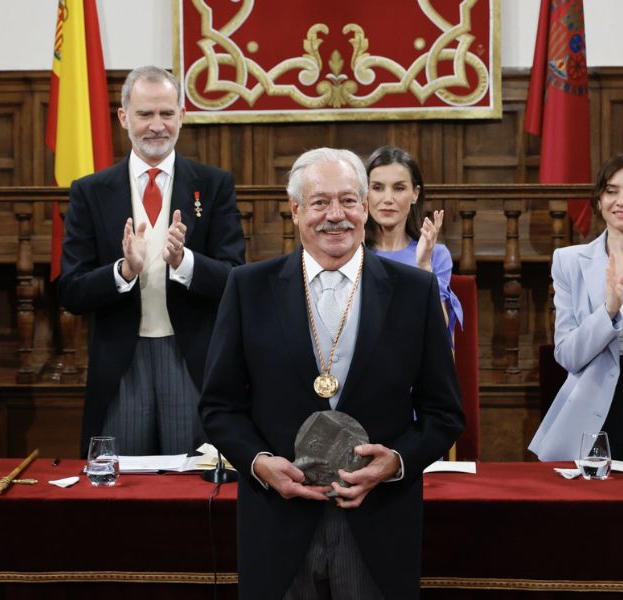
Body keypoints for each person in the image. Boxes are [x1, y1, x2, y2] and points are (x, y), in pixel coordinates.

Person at [199, 147, 464, 599]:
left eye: (347, 200)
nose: (334, 216)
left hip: (378, 524)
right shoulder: (248, 288)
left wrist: (395, 464)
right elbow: (220, 407)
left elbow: (444, 414)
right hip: (278, 524)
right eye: (319, 202)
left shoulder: (415, 292)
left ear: (364, 207)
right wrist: (260, 465)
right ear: (296, 210)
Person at [58, 66, 245, 456]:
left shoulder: (213, 185)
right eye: (145, 114)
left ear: (182, 115)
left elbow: (234, 277)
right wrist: (122, 271)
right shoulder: (91, 192)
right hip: (121, 361)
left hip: (189, 356)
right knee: (121, 488)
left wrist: (185, 261)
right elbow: (71, 290)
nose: (156, 125)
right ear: (124, 118)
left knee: (193, 487)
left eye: (166, 113)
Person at [530, 153, 623, 461]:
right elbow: (567, 355)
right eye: (611, 191)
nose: (621, 201)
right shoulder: (569, 261)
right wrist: (608, 311)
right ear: (599, 200)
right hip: (591, 410)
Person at [365, 146, 462, 338]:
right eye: (377, 188)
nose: (387, 199)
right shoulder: (353, 252)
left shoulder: (435, 254)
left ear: (415, 194)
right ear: (365, 192)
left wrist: (424, 266)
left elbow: (440, 332)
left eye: (399, 188)